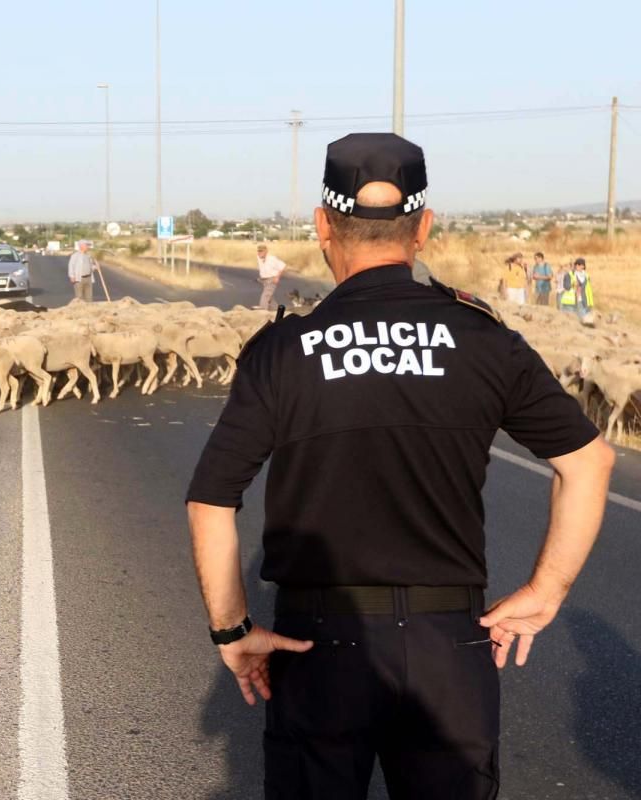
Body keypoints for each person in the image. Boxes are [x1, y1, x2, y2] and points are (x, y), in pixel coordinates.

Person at [185, 132, 615, 799]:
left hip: (317, 649)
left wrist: (233, 628)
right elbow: (590, 460)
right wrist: (545, 591)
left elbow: (211, 499)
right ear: (425, 228)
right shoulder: (483, 338)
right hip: (450, 650)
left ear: (322, 225)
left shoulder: (283, 350)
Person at [256, 244, 286, 311]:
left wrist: (277, 277)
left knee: (265, 296)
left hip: (272, 279)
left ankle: (262, 312)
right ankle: (277, 310)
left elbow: (282, 266)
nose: (259, 253)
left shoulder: (272, 258)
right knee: (270, 298)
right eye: (258, 251)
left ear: (266, 251)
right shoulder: (258, 258)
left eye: (261, 251)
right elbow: (262, 269)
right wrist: (260, 278)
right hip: (264, 280)